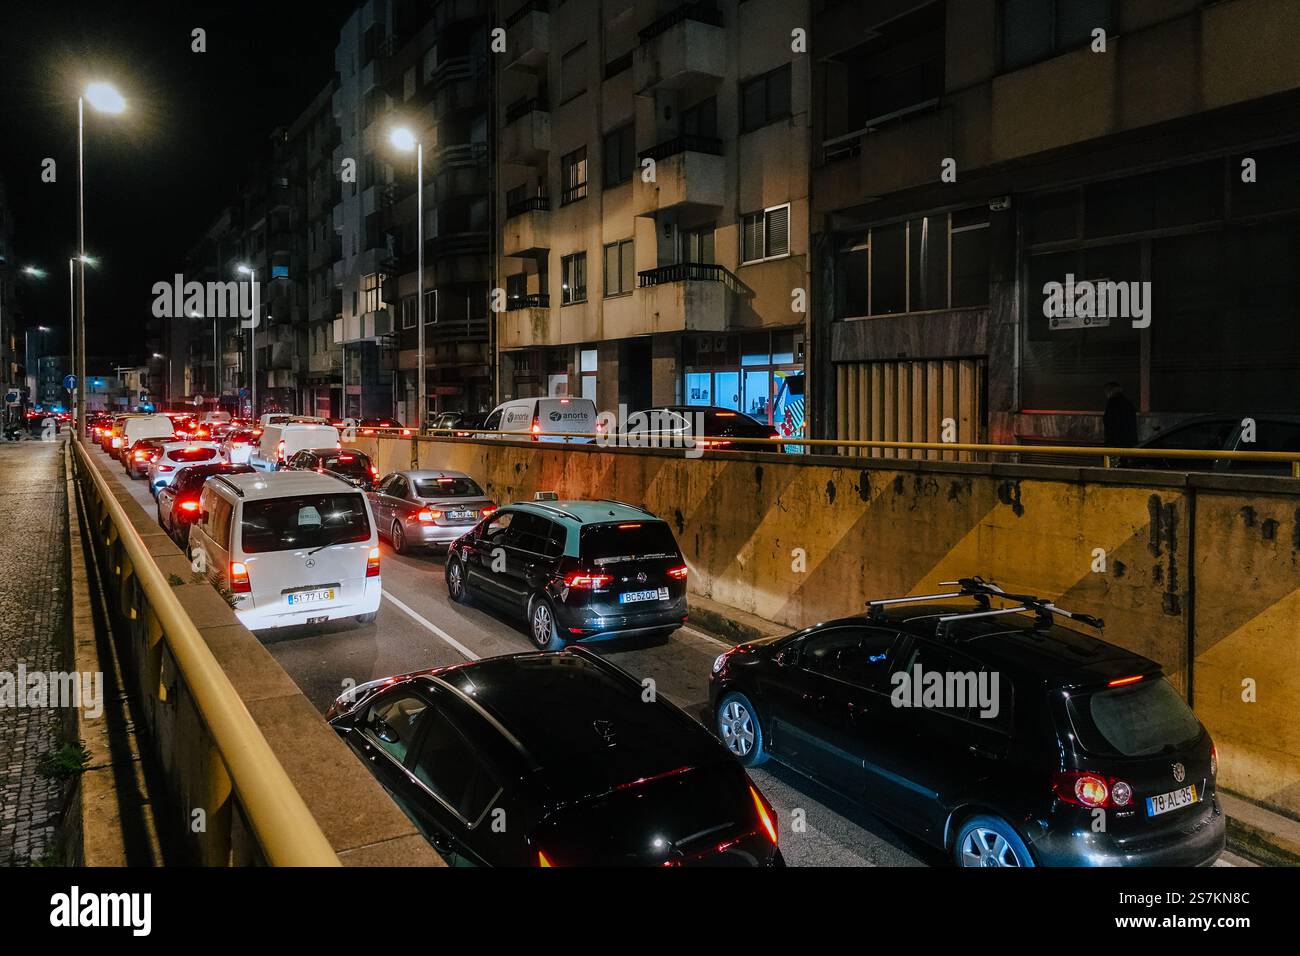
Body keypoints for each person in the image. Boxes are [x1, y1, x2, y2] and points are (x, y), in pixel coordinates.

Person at [1102, 382, 1138, 448]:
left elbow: (1109, 423)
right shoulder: (1127, 403)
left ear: (1110, 391)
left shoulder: (1112, 404)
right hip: (1129, 443)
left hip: (1116, 443)